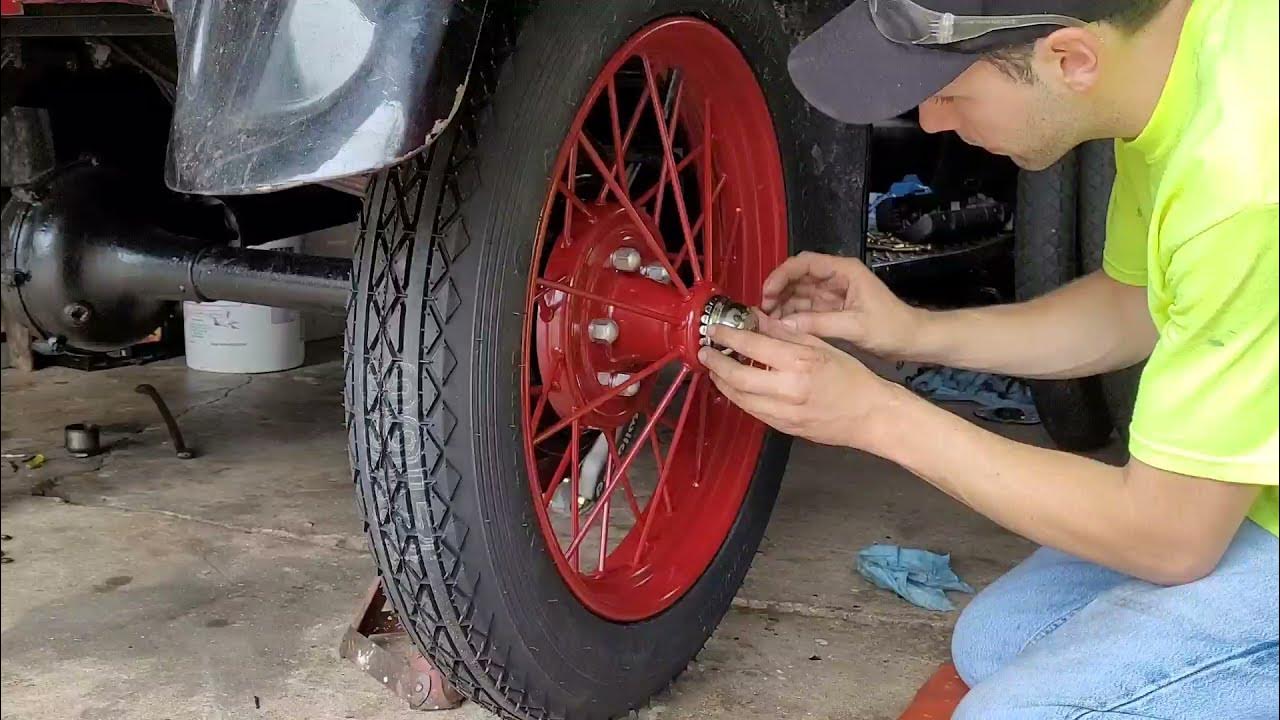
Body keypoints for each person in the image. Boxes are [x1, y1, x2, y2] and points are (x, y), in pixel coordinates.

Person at [698, 1, 1279, 717]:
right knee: (996, 639)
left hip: (1210, 518)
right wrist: (912, 331)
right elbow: (1138, 305)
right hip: (1254, 493)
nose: (933, 122)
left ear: (1069, 62)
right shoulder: (1177, 58)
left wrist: (875, 415)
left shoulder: (1243, 183)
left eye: (949, 93)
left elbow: (1172, 537)